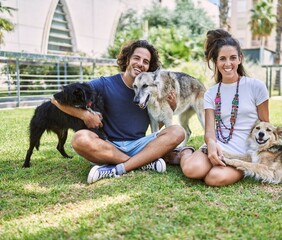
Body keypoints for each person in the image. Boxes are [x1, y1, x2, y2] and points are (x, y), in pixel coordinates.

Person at [51, 40, 186, 184]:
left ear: (149, 67)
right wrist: (85, 115)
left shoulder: (151, 92)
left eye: (146, 61)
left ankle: (118, 168)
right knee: (80, 139)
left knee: (177, 131)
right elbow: (55, 99)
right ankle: (142, 163)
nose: (141, 63)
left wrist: (170, 108)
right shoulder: (105, 84)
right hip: (109, 146)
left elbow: (157, 126)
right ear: (127, 59)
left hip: (139, 145)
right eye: (136, 58)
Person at [177, 29, 270, 187]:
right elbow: (209, 131)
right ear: (216, 62)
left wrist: (256, 158)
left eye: (233, 58)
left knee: (214, 178)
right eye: (222, 59)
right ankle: (186, 153)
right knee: (192, 170)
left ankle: (223, 166)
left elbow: (265, 124)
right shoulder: (211, 93)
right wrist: (211, 146)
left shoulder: (256, 86)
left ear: (240, 59)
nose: (228, 64)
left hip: (243, 154)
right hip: (217, 145)